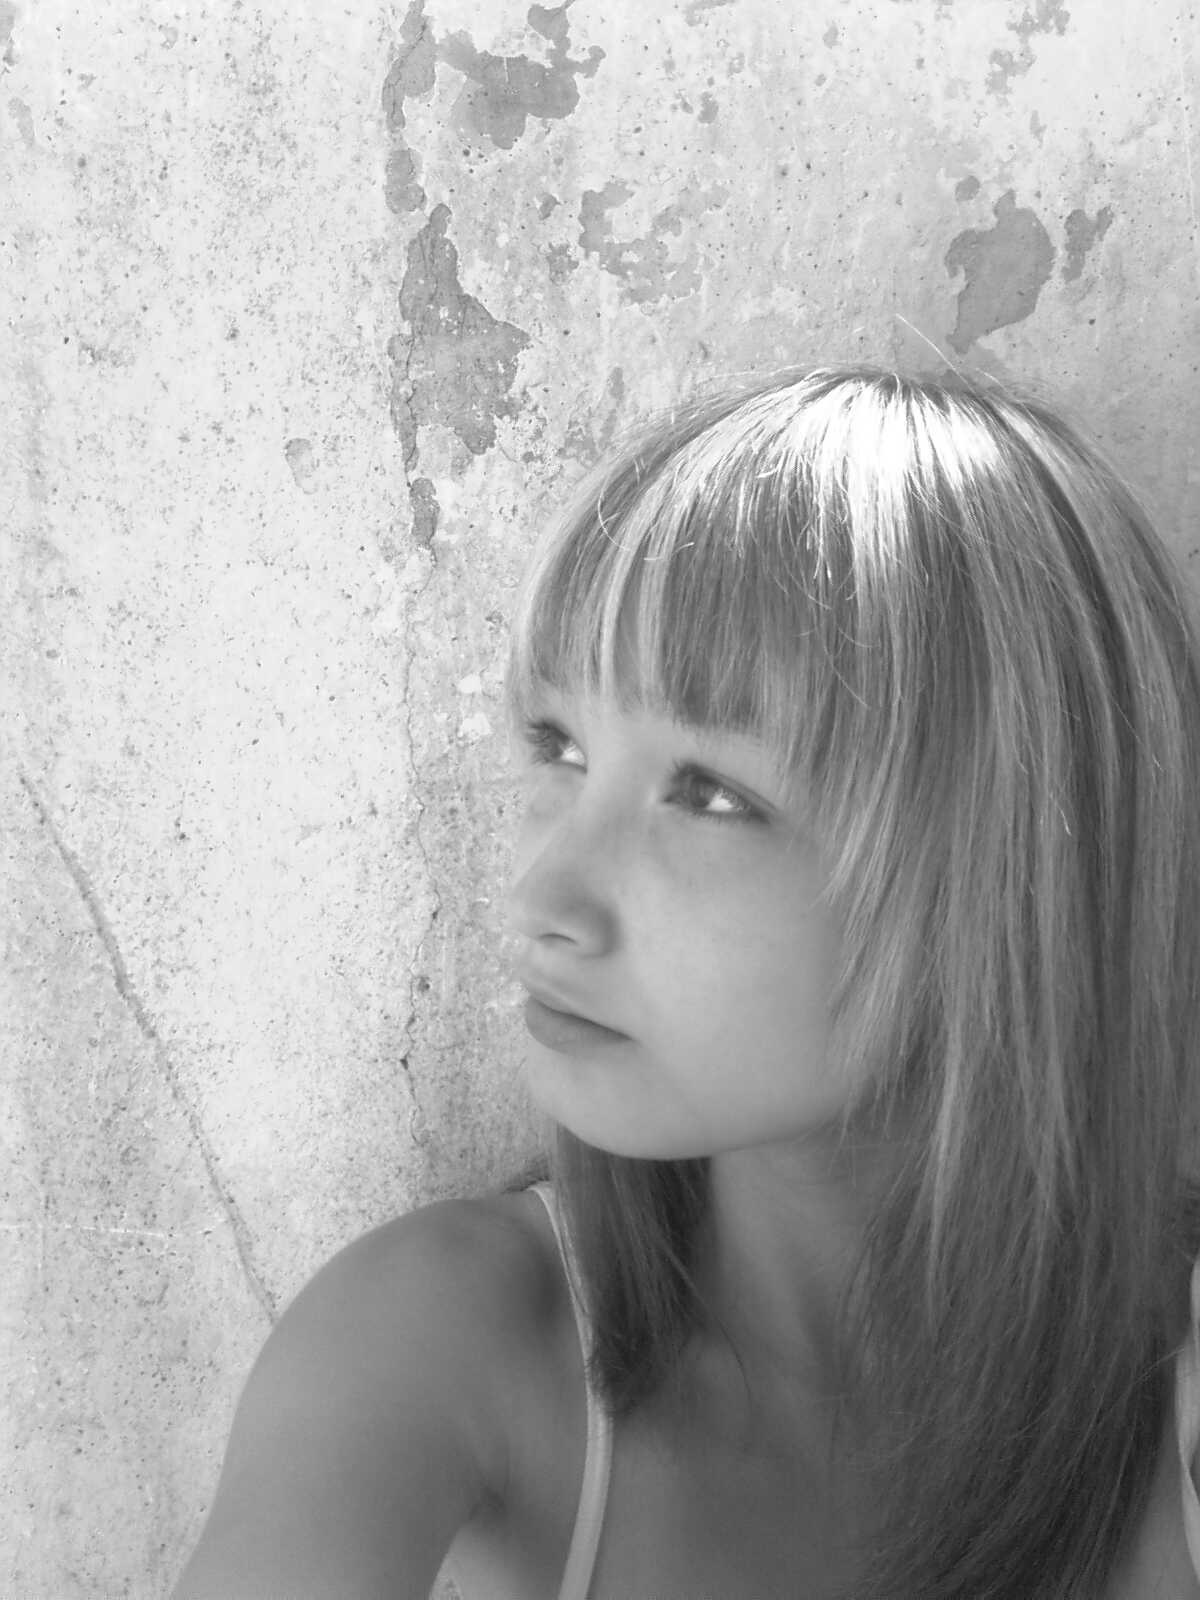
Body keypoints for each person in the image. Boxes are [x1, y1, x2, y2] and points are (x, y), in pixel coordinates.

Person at [174, 365, 1200, 1599]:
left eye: (710, 793)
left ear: (1006, 873)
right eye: (559, 745)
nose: (542, 899)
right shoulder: (435, 1340)